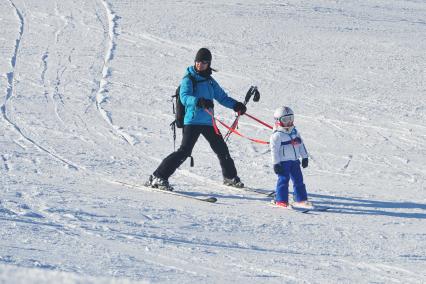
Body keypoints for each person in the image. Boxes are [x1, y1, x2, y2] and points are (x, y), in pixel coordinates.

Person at [146, 48, 247, 191]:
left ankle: (230, 177)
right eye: (198, 61)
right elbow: (184, 97)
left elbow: (222, 97)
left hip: (208, 122)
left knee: (222, 149)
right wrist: (199, 101)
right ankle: (158, 176)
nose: (200, 65)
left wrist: (236, 105)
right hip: (192, 121)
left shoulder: (210, 81)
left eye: (204, 62)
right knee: (184, 152)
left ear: (209, 64)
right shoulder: (189, 79)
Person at [270, 106, 312, 208]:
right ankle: (281, 200)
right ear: (278, 121)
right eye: (285, 119)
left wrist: (305, 157)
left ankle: (301, 199)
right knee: (283, 180)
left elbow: (301, 145)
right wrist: (276, 163)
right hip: (283, 163)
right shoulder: (277, 136)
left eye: (291, 119)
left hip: (295, 161)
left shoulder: (295, 132)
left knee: (299, 180)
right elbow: (274, 151)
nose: (289, 122)